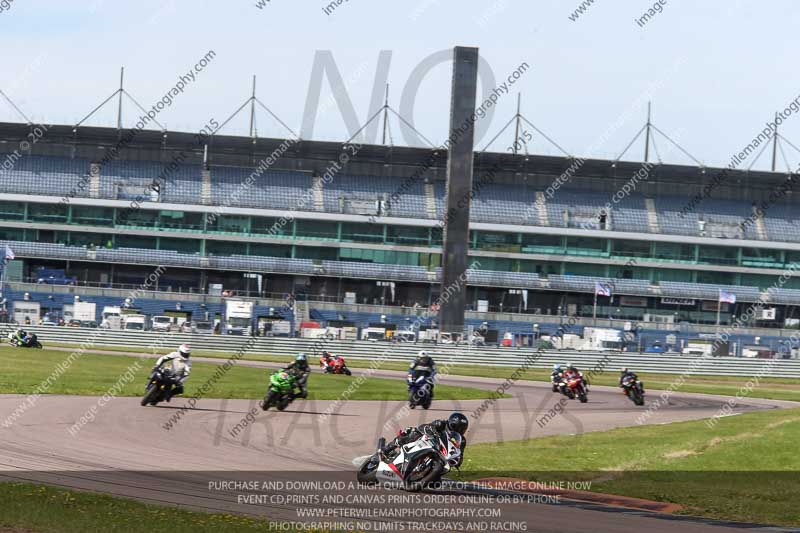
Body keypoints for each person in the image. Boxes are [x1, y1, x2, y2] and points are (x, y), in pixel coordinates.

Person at [382, 412, 469, 466]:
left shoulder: (462, 440)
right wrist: (431, 430)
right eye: (456, 427)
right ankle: (387, 449)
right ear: (450, 423)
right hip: (428, 441)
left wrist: (458, 461)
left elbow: (460, 454)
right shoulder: (442, 423)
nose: (458, 430)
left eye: (462, 429)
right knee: (413, 434)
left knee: (436, 483)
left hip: (441, 455)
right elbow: (424, 427)